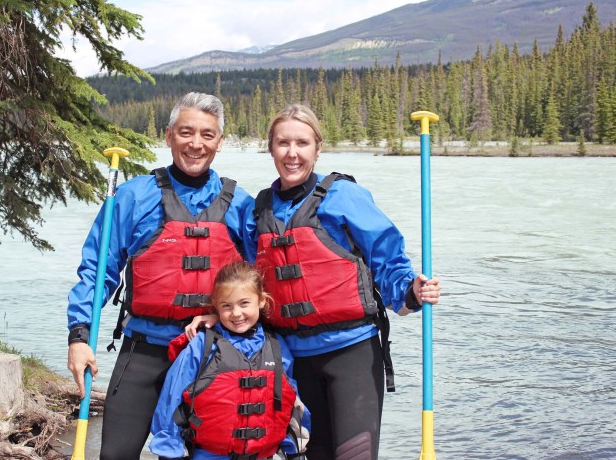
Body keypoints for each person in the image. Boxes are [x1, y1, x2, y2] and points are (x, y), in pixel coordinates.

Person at [188, 104, 441, 460]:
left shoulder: (345, 197)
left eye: (302, 143)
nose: (292, 153)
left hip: (351, 354)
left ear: (318, 149)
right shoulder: (258, 211)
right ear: (271, 148)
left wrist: (410, 291)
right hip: (291, 360)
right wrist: (220, 313)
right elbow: (244, 280)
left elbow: (387, 259)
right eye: (282, 143)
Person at [66, 92, 254, 459]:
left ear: (220, 142)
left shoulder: (241, 205)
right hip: (143, 351)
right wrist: (78, 336)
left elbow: (259, 281)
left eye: (207, 134)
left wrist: (223, 315)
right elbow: (97, 270)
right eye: (186, 132)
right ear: (168, 135)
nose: (196, 144)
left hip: (213, 354)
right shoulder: (133, 197)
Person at [150, 260, 310, 460]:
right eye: (227, 306)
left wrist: (295, 451)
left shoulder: (277, 347)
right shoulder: (202, 346)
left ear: (261, 300)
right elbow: (171, 399)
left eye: (244, 303)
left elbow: (291, 403)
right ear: (215, 306)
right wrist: (169, 452)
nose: (236, 313)